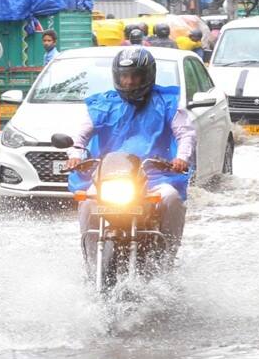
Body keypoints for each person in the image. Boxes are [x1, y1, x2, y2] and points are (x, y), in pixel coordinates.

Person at [65, 47, 195, 266]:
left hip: (155, 175)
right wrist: (75, 154)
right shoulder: (103, 104)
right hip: (110, 177)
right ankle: (90, 262)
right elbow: (80, 136)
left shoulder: (168, 103)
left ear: (148, 76)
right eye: (124, 76)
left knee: (172, 199)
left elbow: (186, 135)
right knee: (87, 202)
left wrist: (181, 158)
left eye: (135, 76)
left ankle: (167, 257)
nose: (129, 82)